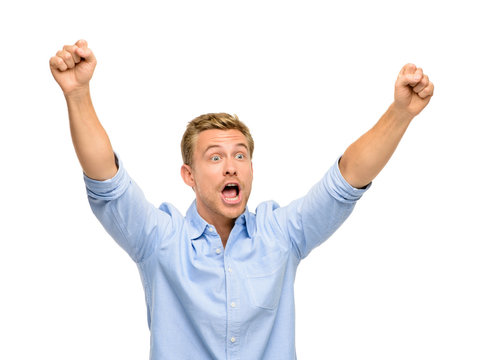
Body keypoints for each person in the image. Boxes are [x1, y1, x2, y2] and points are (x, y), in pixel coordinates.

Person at [49, 39, 434, 359]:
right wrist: (78, 94)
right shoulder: (159, 239)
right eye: (214, 157)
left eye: (240, 155)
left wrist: (401, 112)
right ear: (190, 176)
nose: (231, 166)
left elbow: (346, 180)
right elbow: (106, 180)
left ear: (251, 169)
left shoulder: (282, 234)